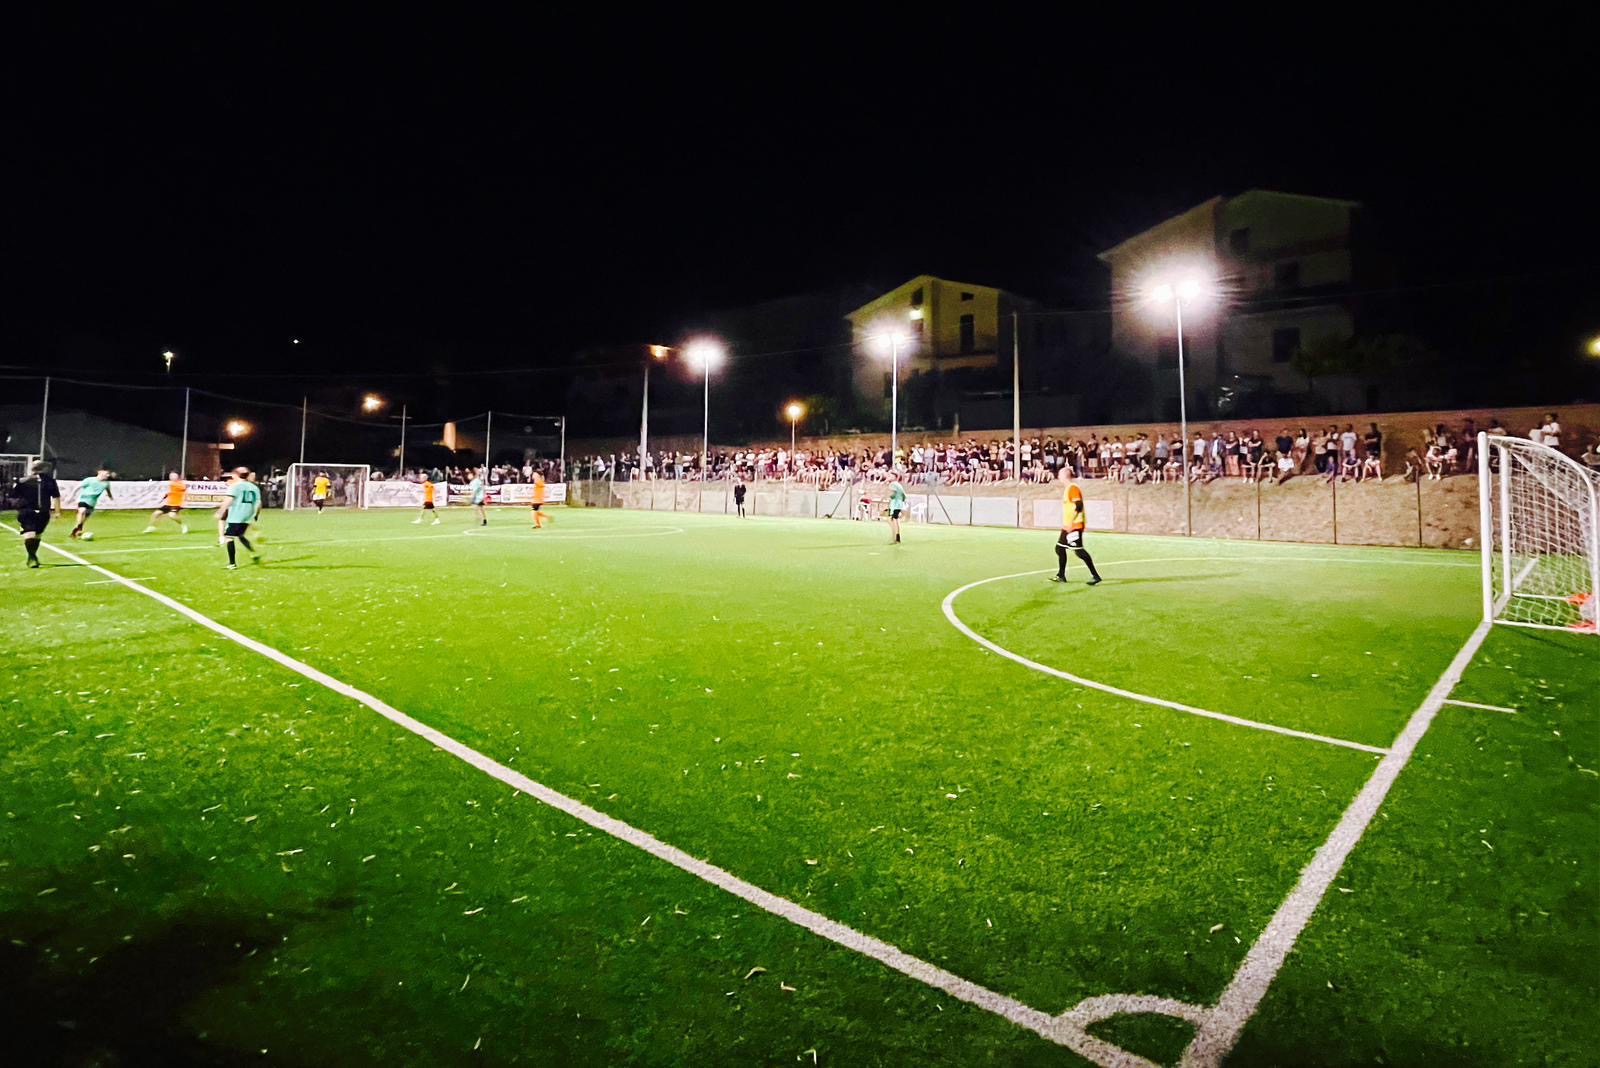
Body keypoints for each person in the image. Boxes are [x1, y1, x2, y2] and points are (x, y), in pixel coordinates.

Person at [1052, 468, 1101, 586]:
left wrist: (1071, 523)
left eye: (1059, 475)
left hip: (1074, 525)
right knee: (1059, 548)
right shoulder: (1068, 489)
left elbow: (1078, 506)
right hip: (1068, 526)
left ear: (1065, 476)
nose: (1058, 477)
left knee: (1079, 551)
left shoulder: (1073, 488)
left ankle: (1095, 576)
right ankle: (1061, 575)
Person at [9, 460, 61, 568]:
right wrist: (57, 511)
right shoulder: (25, 481)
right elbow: (56, 497)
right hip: (30, 511)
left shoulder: (25, 480)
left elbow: (13, 495)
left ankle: (32, 556)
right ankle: (32, 557)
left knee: (37, 535)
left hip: (38, 511)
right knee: (31, 534)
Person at [217, 467, 262, 570]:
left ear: (236, 475)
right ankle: (253, 553)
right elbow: (259, 503)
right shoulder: (254, 487)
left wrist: (220, 511)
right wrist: (256, 515)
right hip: (247, 517)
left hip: (236, 516)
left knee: (229, 537)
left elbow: (229, 500)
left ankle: (232, 564)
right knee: (240, 535)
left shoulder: (235, 486)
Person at [70, 467, 113, 539]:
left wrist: (110, 497)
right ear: (100, 472)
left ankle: (77, 529)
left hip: (92, 502)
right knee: (82, 511)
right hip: (83, 499)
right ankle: (78, 527)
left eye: (109, 474)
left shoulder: (106, 483)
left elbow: (108, 491)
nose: (108, 475)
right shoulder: (89, 480)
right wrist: (71, 496)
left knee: (84, 519)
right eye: (107, 473)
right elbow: (77, 487)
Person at [886, 473, 907, 543]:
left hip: (895, 504)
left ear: (895, 477)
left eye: (890, 476)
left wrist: (888, 497)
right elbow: (904, 495)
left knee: (891, 520)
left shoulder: (892, 484)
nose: (889, 477)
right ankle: (897, 537)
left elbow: (893, 493)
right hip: (899, 503)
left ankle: (894, 537)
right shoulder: (899, 485)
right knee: (896, 519)